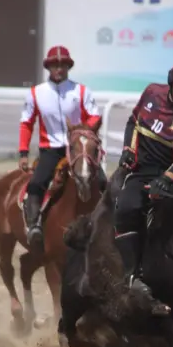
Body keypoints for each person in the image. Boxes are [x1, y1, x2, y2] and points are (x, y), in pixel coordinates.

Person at [114, 58, 173, 297]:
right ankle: (131, 276)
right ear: (172, 84)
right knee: (126, 207)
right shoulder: (151, 93)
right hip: (140, 172)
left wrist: (167, 178)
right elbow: (133, 122)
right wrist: (127, 149)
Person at [18, 45, 102, 251]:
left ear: (68, 67)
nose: (59, 69)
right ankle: (35, 224)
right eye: (55, 65)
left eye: (63, 65)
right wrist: (23, 152)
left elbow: (95, 115)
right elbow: (26, 123)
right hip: (51, 149)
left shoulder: (81, 91)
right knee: (37, 182)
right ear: (48, 67)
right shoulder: (36, 93)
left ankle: (109, 222)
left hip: (78, 147)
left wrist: (84, 132)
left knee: (101, 181)